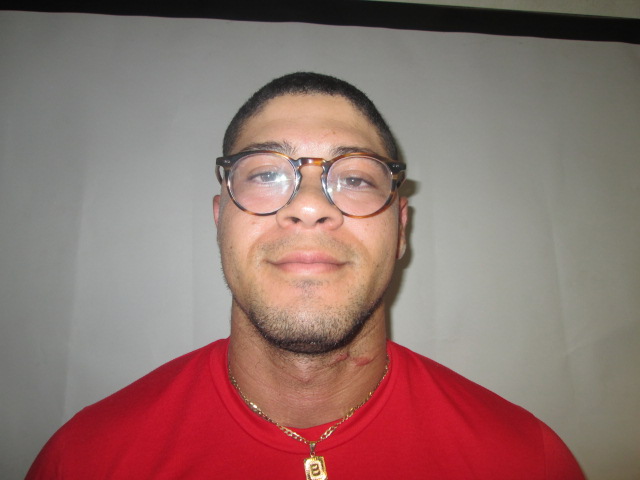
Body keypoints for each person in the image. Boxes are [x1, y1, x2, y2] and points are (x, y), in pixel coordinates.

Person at [26, 72, 584, 479]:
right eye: (266, 173)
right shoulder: (84, 460)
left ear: (400, 228)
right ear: (220, 220)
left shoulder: (525, 460)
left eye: (356, 179)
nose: (311, 206)